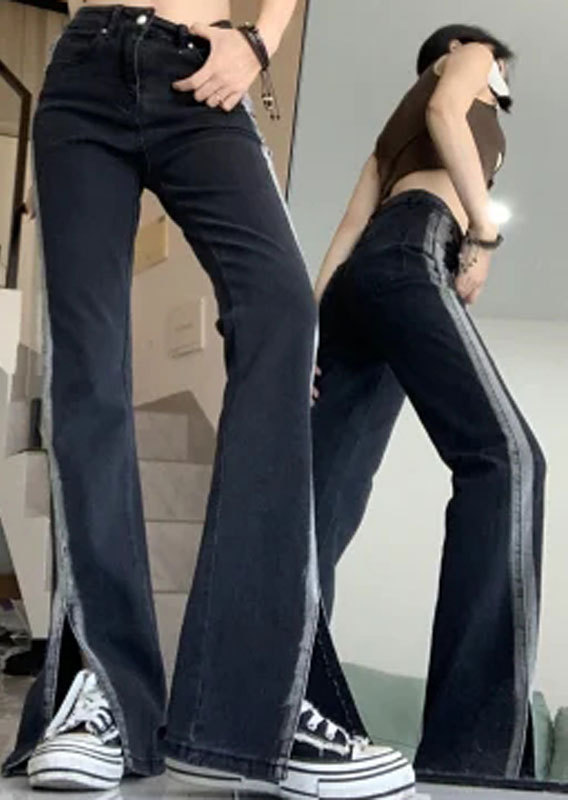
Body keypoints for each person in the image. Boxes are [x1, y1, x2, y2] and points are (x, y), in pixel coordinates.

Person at [2, 1, 414, 798]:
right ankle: (105, 692)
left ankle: (254, 708)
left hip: (201, 69)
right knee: (86, 362)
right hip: (80, 72)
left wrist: (261, 40)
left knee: (282, 309)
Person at [311, 24, 545, 779]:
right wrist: (483, 232)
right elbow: (448, 111)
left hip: (361, 284)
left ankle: (286, 712)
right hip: (416, 250)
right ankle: (471, 755)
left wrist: (308, 340)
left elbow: (349, 229)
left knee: (318, 510)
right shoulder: (470, 59)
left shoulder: (389, 135)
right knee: (509, 460)